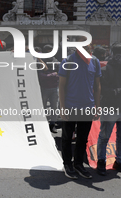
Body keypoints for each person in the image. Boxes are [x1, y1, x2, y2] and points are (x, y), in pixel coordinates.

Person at [59, 36, 101, 179]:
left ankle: (78, 164)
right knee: (67, 138)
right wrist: (62, 108)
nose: (87, 46)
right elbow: (61, 86)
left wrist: (97, 106)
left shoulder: (94, 61)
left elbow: (97, 86)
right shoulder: (67, 61)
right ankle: (67, 164)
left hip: (88, 107)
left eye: (88, 43)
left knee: (82, 138)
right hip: (70, 106)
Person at [96, 43, 121, 176]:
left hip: (110, 106)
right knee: (105, 136)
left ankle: (104, 162)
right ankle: (103, 162)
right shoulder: (106, 68)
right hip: (110, 106)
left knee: (105, 136)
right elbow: (101, 89)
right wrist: (116, 91)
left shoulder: (105, 67)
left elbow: (101, 88)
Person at [38, 45, 59, 133]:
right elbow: (41, 75)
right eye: (47, 51)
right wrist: (53, 74)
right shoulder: (39, 61)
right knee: (42, 107)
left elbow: (59, 73)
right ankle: (43, 125)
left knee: (54, 107)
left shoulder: (55, 61)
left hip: (54, 88)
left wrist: (49, 75)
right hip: (44, 88)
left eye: (50, 50)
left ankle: (52, 124)